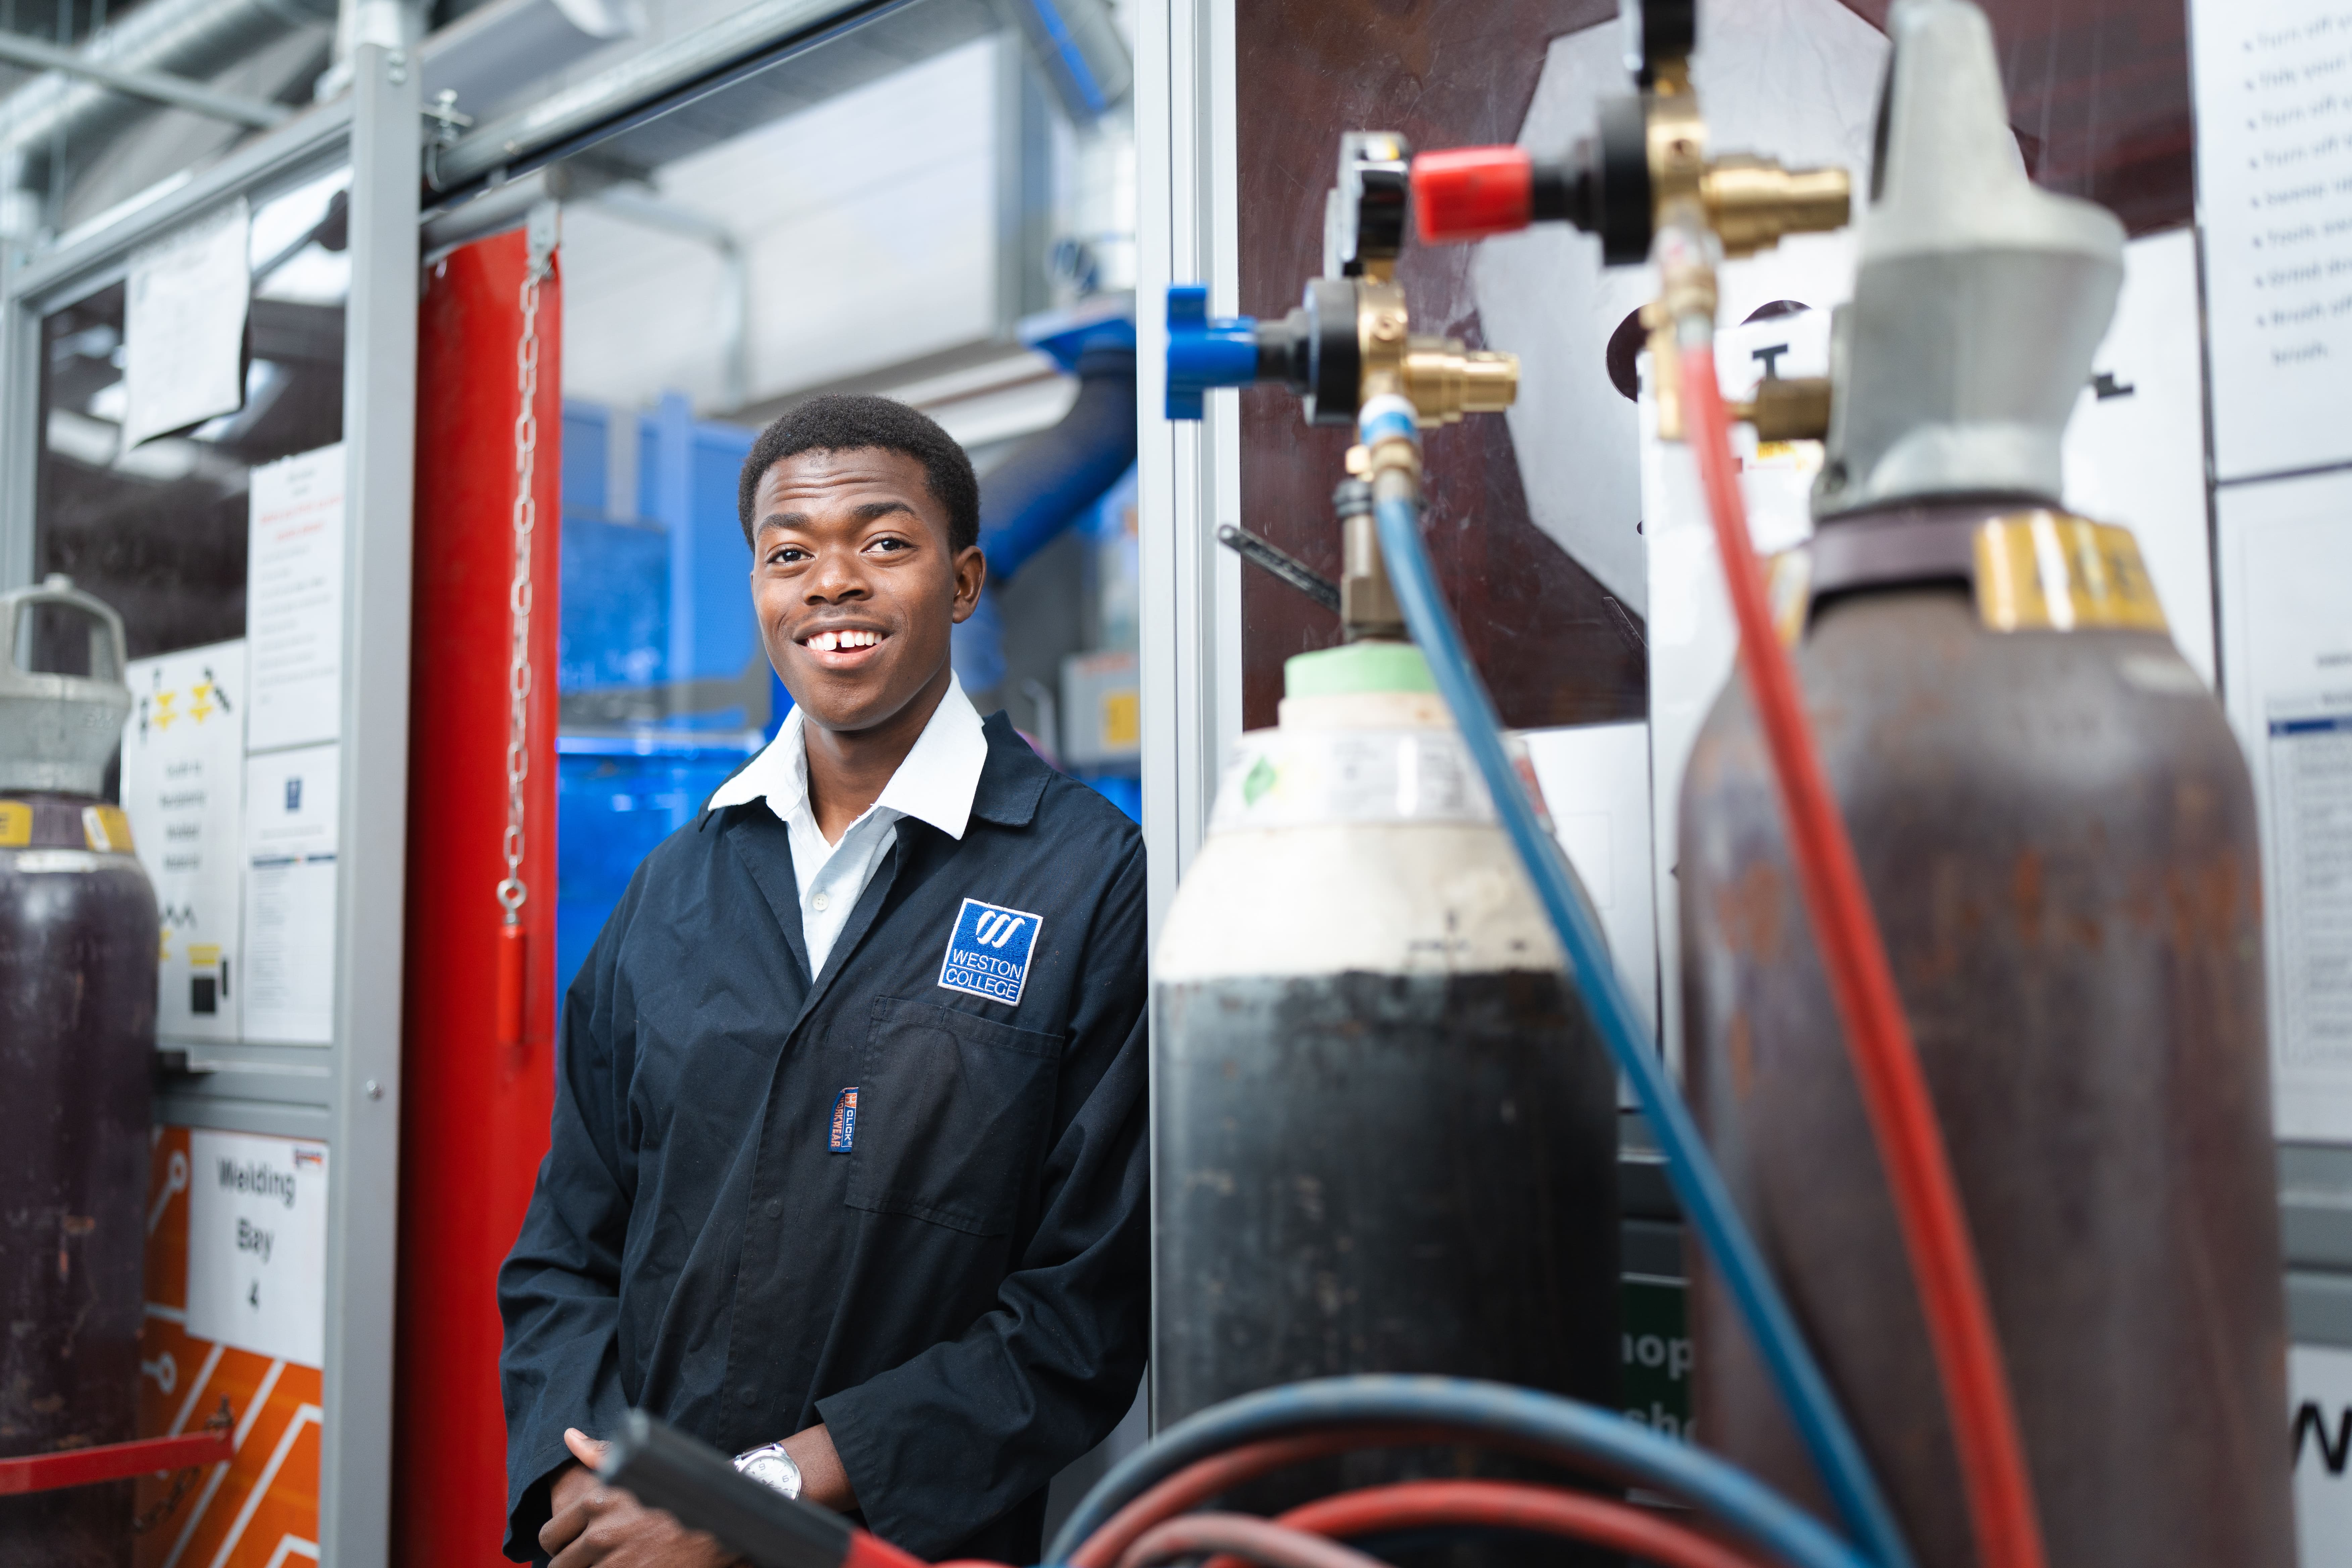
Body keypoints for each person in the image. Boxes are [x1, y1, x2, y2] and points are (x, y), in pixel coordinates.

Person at [498, 395, 1148, 1566]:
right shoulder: (673, 888)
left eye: (883, 543)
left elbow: (1080, 1315)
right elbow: (567, 1250)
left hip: (898, 1547)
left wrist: (751, 1499)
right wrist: (570, 1476)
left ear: (962, 583)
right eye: (788, 554)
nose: (830, 583)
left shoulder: (1087, 878)